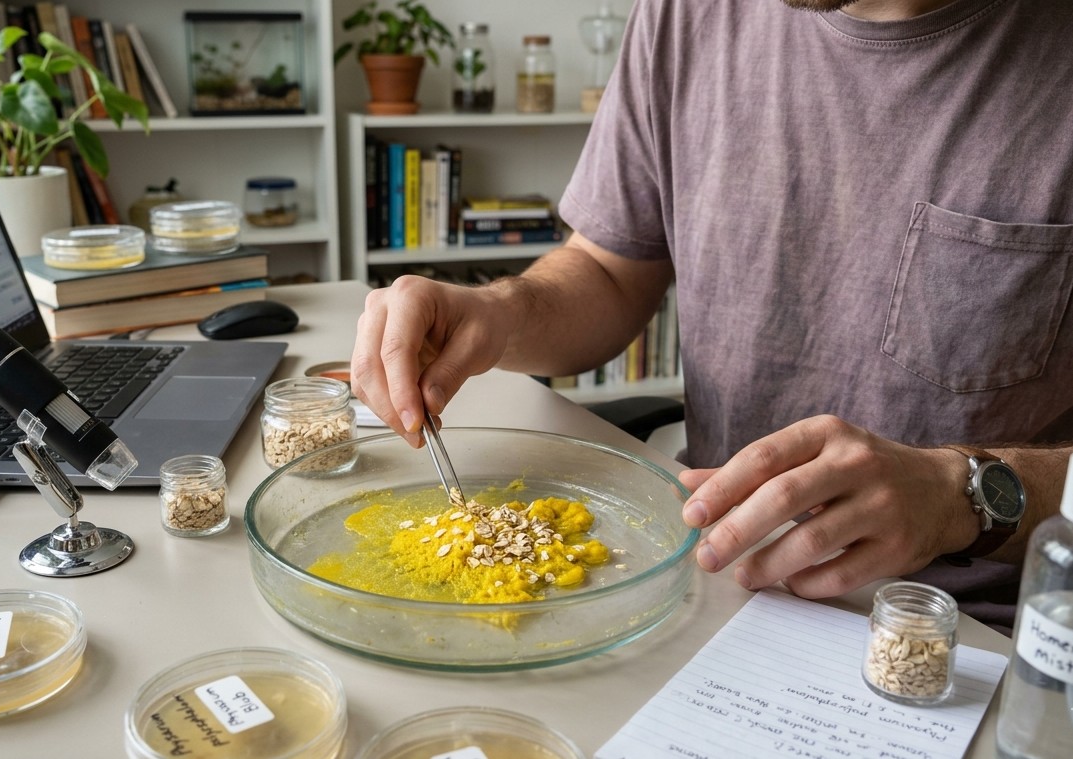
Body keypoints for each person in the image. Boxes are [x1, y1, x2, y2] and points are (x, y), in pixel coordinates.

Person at [350, 0, 1073, 629]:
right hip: (709, 578)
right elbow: (606, 270)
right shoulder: (686, 13)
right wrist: (497, 310)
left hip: (974, 629)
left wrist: (962, 496)